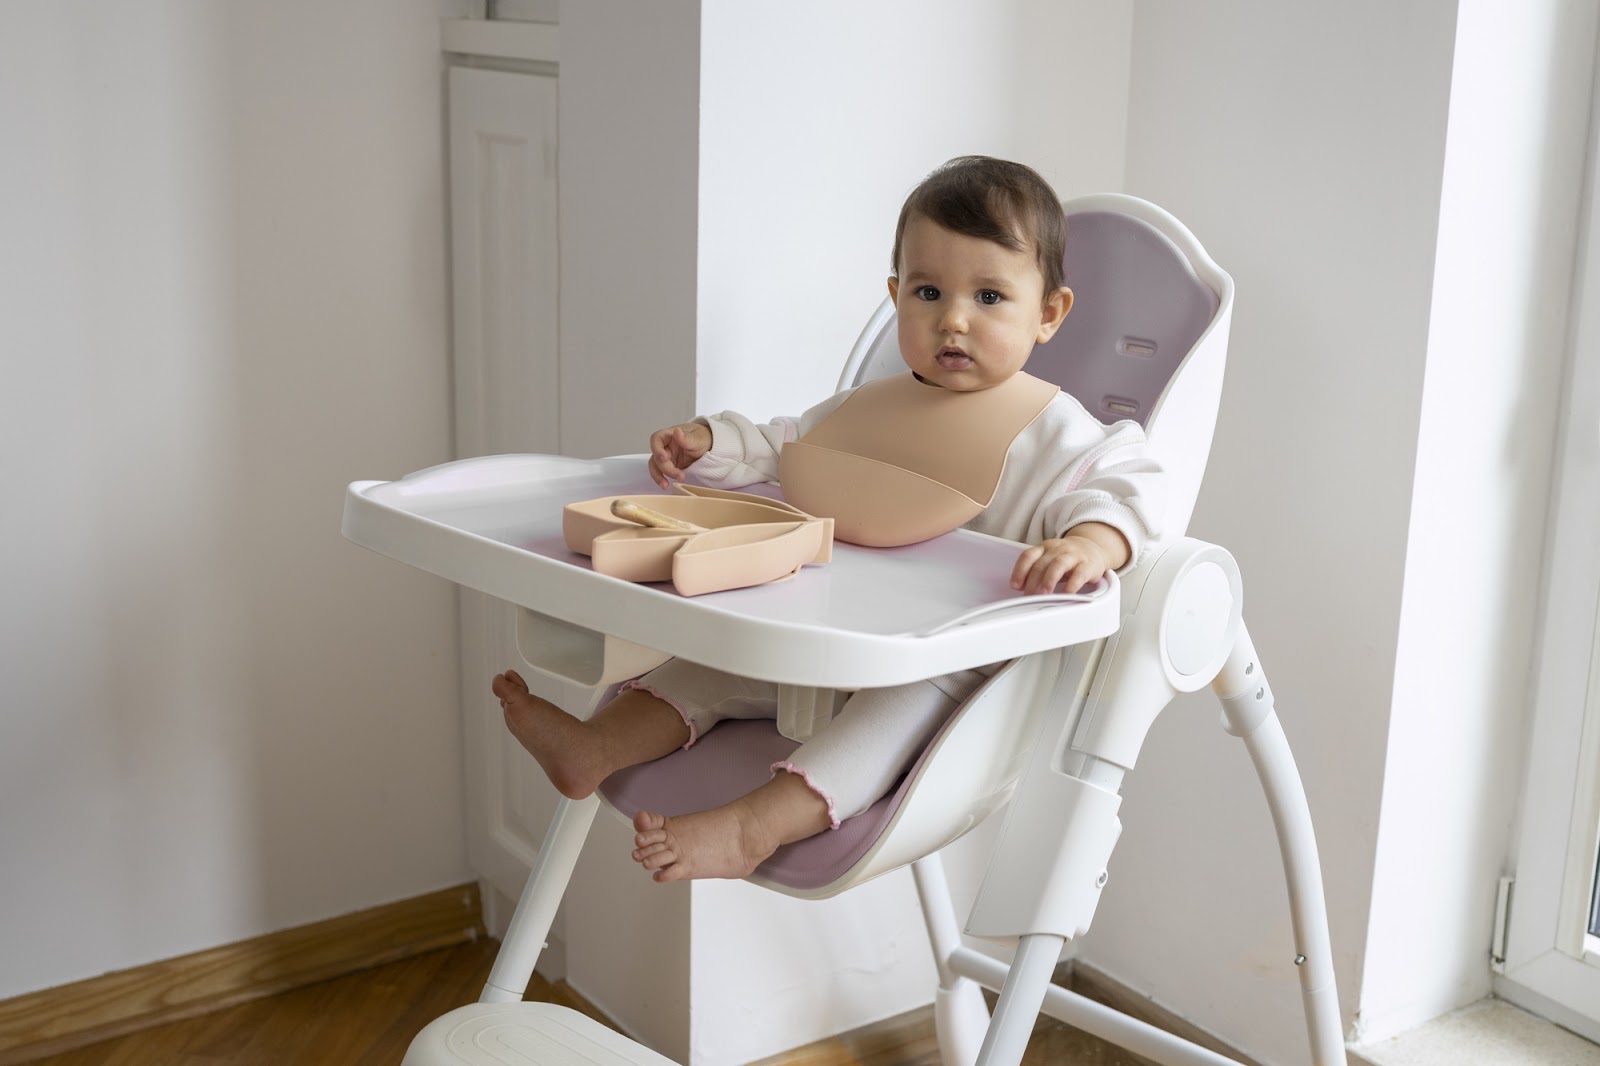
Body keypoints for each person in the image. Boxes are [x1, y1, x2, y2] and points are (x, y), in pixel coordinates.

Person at [492, 155, 1164, 883]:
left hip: (950, 668)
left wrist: (1091, 543)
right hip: (830, 632)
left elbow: (1126, 490)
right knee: (708, 664)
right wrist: (710, 444)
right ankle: (597, 748)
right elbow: (787, 449)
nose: (955, 319)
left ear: (1049, 314)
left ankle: (755, 825)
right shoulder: (870, 410)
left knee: (888, 722)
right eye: (928, 291)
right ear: (895, 296)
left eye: (991, 296)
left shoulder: (1059, 433)